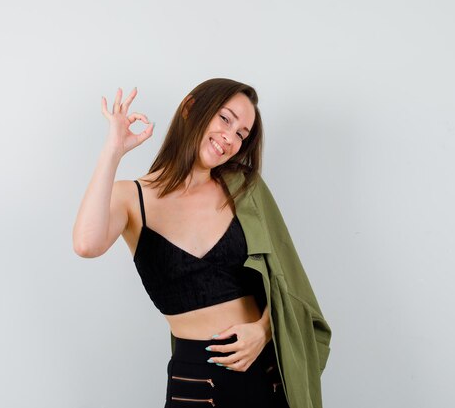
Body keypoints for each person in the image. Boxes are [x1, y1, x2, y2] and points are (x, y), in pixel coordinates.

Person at [73, 78, 330, 408]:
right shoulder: (130, 197)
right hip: (195, 383)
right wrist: (113, 151)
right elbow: (86, 244)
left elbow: (287, 284)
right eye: (225, 118)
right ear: (190, 108)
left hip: (266, 375)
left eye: (242, 134)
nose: (230, 137)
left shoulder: (244, 189)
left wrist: (264, 330)